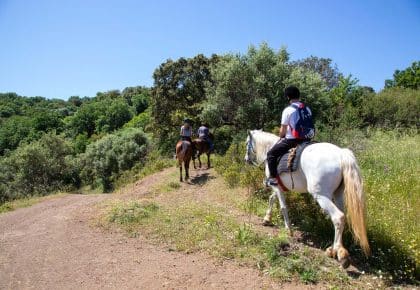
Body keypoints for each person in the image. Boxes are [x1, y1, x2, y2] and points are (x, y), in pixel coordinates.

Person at [266, 86, 315, 186]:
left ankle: (273, 179)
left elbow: (283, 130)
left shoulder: (288, 110)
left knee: (271, 154)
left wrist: (281, 136)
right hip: (307, 139)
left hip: (292, 141)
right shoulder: (307, 109)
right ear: (298, 95)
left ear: (288, 97)